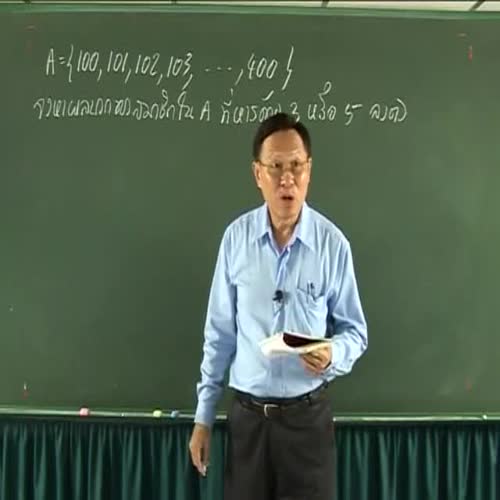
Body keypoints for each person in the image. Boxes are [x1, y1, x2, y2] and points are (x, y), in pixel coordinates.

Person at [189, 112, 368, 500]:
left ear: (309, 171)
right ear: (258, 174)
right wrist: (203, 417)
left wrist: (333, 354)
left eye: (296, 166)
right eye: (276, 167)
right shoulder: (236, 241)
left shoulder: (333, 245)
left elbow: (356, 332)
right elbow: (218, 336)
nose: (287, 179)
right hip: (249, 424)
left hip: (307, 422)